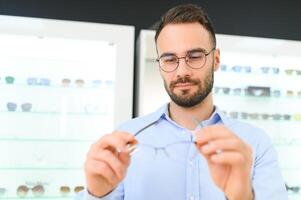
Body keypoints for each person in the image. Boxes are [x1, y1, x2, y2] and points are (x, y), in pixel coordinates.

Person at [77, 4, 288, 200]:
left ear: (216, 60)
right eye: (169, 59)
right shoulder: (127, 139)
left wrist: (243, 196)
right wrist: (97, 194)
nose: (182, 71)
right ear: (160, 65)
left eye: (194, 56)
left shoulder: (255, 143)